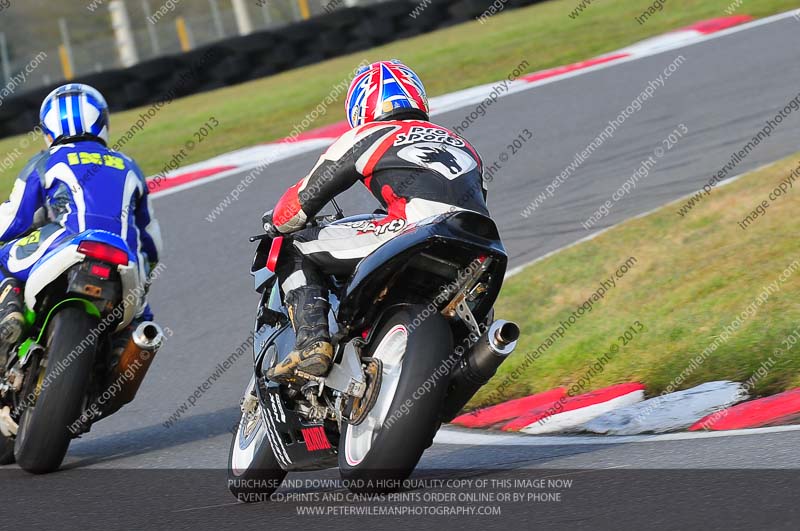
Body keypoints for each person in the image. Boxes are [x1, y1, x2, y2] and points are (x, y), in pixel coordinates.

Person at [262, 60, 489, 384]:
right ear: (418, 97)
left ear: (360, 107)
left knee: (292, 247)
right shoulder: (463, 144)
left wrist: (276, 222)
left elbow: (299, 204)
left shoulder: (367, 135)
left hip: (417, 229)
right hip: (480, 243)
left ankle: (312, 343)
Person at [0, 83, 162, 349]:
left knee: (1, 257)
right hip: (125, 258)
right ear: (102, 122)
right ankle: (125, 350)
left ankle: (10, 312)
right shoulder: (129, 165)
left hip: (69, 242)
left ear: (49, 130)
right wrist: (146, 270)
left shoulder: (46, 161)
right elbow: (151, 242)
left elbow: (14, 219)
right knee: (144, 321)